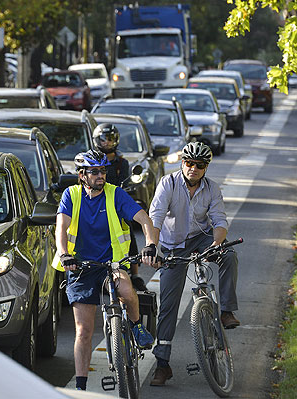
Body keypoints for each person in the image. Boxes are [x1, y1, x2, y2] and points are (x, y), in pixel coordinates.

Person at [55, 149, 156, 391]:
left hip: (111, 264)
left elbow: (145, 220)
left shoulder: (115, 194)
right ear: (82, 175)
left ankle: (135, 325)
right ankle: (80, 386)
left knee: (127, 290)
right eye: (95, 172)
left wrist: (151, 244)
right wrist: (64, 254)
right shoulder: (71, 195)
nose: (101, 175)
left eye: (103, 171)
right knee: (84, 330)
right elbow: (61, 227)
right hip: (80, 266)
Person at [143, 142, 240, 386]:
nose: (193, 169)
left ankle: (226, 310)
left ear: (206, 168)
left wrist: (216, 244)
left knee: (229, 255)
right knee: (168, 305)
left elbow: (219, 220)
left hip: (202, 237)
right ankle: (163, 365)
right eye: (189, 163)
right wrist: (152, 247)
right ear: (182, 163)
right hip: (173, 246)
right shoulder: (168, 183)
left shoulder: (212, 189)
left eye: (199, 165)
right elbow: (155, 217)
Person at [92, 123, 147, 292]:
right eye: (103, 139)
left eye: (110, 139)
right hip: (95, 203)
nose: (107, 143)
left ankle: (135, 273)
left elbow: (124, 181)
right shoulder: (92, 158)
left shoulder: (121, 162)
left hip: (117, 203)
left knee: (128, 231)